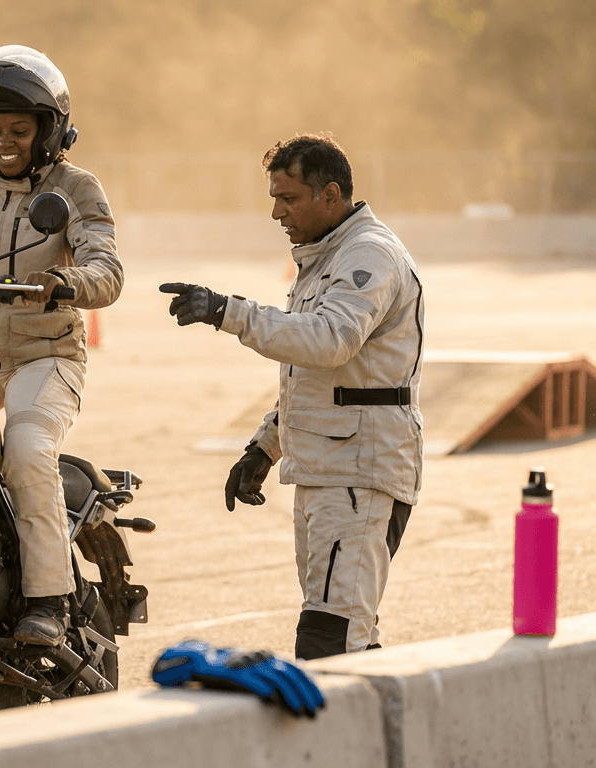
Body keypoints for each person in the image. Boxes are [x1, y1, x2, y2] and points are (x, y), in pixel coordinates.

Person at [160, 133, 422, 659]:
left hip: (359, 473)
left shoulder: (368, 254)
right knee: (347, 635)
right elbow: (320, 379)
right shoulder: (326, 255)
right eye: (274, 198)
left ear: (331, 195)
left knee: (329, 640)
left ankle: (350, 741)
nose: (277, 212)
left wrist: (225, 311)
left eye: (289, 198)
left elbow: (329, 341)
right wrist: (264, 448)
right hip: (331, 469)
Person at [0, 45, 122, 645]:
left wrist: (65, 282)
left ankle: (51, 600)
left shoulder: (75, 189)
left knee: (28, 448)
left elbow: (107, 269)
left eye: (19, 129)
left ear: (49, 131)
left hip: (46, 357)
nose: (4, 141)